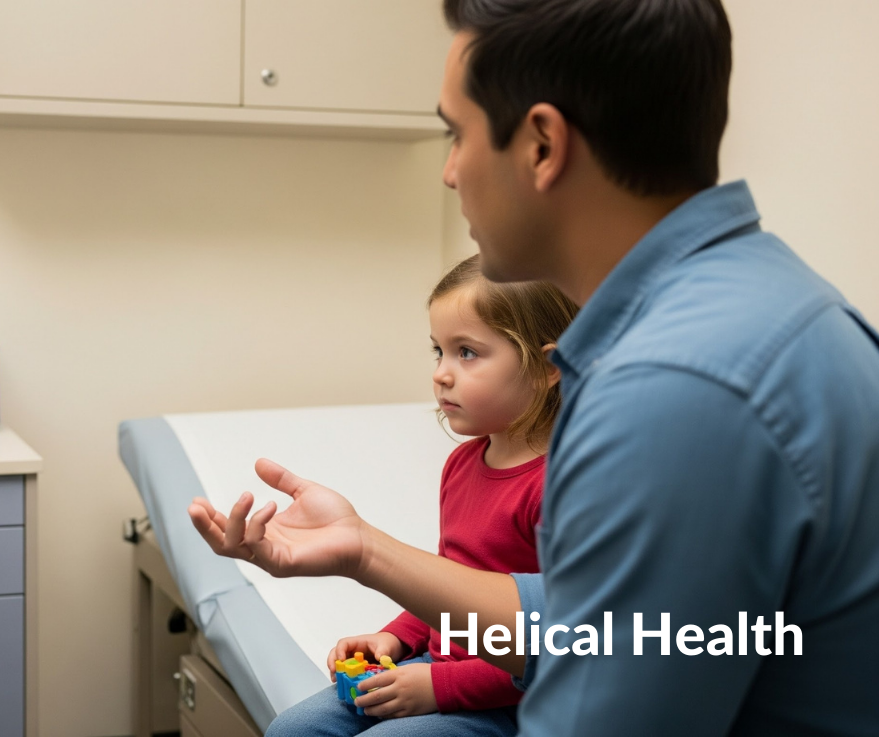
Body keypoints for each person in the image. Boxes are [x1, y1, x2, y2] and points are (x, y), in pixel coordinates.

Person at [190, 0, 879, 734]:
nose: (451, 173)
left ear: (544, 146)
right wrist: (366, 551)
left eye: (457, 134)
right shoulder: (768, 304)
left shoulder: (676, 390)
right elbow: (613, 620)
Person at [267, 255, 576, 737]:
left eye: (467, 353)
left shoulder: (561, 487)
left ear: (547, 366)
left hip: (513, 699)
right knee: (294, 728)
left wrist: (438, 687)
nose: (441, 374)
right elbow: (445, 586)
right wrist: (393, 638)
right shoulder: (462, 465)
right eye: (439, 351)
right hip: (436, 669)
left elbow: (563, 644)